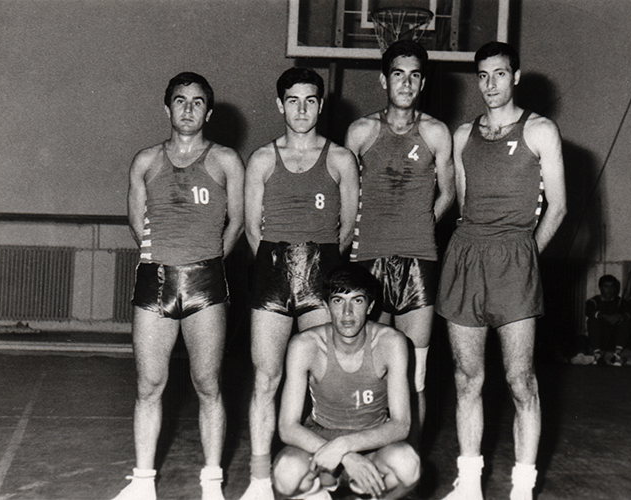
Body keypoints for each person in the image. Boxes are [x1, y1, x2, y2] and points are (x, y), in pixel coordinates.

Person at [436, 42, 567, 500]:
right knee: (466, 377)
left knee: (519, 380)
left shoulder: (541, 130)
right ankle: (469, 484)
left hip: (515, 259)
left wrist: (527, 255)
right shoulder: (463, 135)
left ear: (515, 77)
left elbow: (558, 207)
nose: (490, 84)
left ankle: (522, 488)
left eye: (499, 74)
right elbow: (463, 204)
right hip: (467, 256)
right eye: (483, 75)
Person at [113, 72, 245, 500]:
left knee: (208, 384)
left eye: (197, 101)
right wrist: (166, 259)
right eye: (181, 100)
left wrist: (207, 261)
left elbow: (238, 222)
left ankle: (212, 484)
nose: (188, 108)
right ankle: (142, 483)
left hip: (205, 283)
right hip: (155, 281)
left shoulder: (225, 160)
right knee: (148, 385)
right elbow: (137, 224)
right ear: (167, 107)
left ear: (209, 111)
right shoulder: (146, 161)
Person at [240, 67, 359, 500]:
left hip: (320, 274)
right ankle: (258, 481)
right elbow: (252, 230)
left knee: (322, 381)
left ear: (321, 105)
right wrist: (282, 265)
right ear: (280, 105)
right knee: (266, 377)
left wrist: (316, 266)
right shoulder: (262, 159)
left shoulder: (340, 159)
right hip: (272, 275)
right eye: (293, 100)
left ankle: (321, 479)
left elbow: (347, 229)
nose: (302, 109)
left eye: (310, 100)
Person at [345, 40, 455, 431]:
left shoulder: (436, 132)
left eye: (414, 76)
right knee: (370, 368)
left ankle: (410, 461)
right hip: (367, 257)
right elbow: (345, 192)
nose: (406, 83)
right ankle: (365, 453)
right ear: (383, 80)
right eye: (398, 74)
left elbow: (449, 193)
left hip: (418, 259)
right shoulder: (361, 131)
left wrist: (421, 222)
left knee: (414, 373)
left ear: (422, 82)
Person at [273, 265, 420, 500]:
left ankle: (366, 494)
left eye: (357, 301)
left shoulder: (390, 342)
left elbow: (401, 424)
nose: (347, 312)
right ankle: (319, 493)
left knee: (407, 465)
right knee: (286, 473)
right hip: (321, 446)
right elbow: (287, 427)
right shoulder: (305, 345)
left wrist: (345, 446)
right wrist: (346, 456)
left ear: (370, 306)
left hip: (372, 447)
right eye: (338, 301)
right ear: (326, 306)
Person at [584, 275, 631, 366]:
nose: (609, 289)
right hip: (600, 339)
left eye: (612, 286)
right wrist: (604, 316)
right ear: (600, 288)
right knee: (592, 320)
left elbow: (629, 313)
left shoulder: (620, 302)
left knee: (626, 321)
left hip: (615, 340)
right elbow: (589, 311)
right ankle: (597, 355)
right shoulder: (593, 301)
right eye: (606, 286)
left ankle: (617, 355)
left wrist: (621, 317)